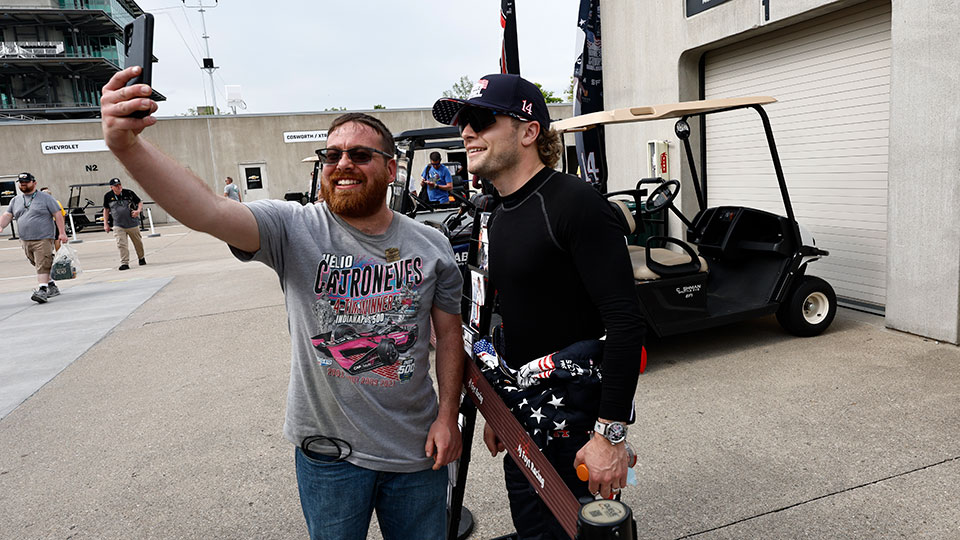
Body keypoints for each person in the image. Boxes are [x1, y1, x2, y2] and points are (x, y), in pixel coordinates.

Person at [100, 66, 464, 540]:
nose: (343, 163)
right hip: (330, 455)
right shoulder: (293, 227)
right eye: (332, 154)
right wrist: (126, 145)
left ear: (391, 169)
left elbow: (449, 335)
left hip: (416, 449)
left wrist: (448, 416)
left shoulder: (432, 245)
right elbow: (207, 210)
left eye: (360, 154)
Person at [433, 74, 647, 539]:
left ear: (529, 131)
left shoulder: (576, 203)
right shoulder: (494, 211)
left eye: (482, 120)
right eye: (464, 121)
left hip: (579, 425)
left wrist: (610, 436)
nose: (466, 132)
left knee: (583, 533)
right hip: (525, 416)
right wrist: (502, 408)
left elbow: (626, 324)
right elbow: (511, 316)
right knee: (534, 530)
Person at [0, 173, 69, 303]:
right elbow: (8, 215)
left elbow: (58, 214)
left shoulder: (46, 198)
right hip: (25, 239)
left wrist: (62, 233)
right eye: (21, 182)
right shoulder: (15, 200)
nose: (23, 184)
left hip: (43, 237)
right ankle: (52, 285)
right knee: (37, 263)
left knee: (42, 263)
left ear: (34, 183)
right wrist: (1, 226)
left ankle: (42, 290)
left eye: (26, 182)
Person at [103, 177, 146, 270]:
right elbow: (106, 210)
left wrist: (138, 211)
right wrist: (105, 223)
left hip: (132, 223)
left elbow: (139, 202)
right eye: (116, 186)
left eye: (119, 185)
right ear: (111, 187)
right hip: (118, 225)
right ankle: (124, 263)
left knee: (138, 243)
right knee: (121, 244)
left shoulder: (129, 193)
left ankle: (141, 257)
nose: (119, 187)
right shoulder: (108, 196)